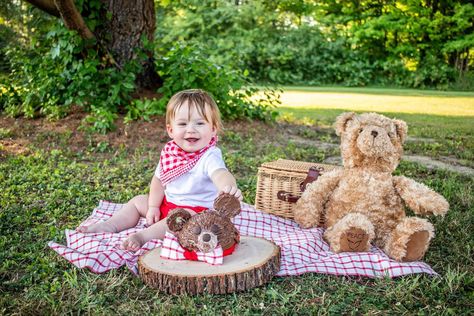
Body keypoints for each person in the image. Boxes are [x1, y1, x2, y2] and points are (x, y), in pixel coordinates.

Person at [77, 89, 242, 251]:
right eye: (183, 124)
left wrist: (227, 188)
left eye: (199, 123)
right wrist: (153, 206)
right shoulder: (171, 153)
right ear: (171, 130)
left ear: (213, 129)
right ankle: (110, 225)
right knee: (138, 200)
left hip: (196, 216)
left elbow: (220, 174)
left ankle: (143, 236)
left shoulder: (209, 155)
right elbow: (158, 180)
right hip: (168, 205)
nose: (191, 129)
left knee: (183, 216)